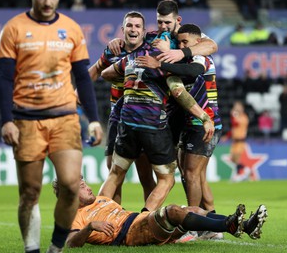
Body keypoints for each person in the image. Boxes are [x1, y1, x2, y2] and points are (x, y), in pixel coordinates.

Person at [0, 0, 103, 253]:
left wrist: (94, 120)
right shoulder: (14, 29)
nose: (47, 1)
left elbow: (83, 78)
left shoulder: (71, 29)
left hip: (64, 119)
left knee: (69, 185)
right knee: (30, 192)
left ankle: (56, 248)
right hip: (27, 120)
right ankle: (32, 251)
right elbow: (5, 79)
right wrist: (7, 120)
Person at [98, 32, 214, 213]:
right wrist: (205, 117)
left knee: (115, 174)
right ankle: (142, 220)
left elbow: (105, 73)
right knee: (167, 178)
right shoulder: (166, 67)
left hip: (126, 124)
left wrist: (131, 80)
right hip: (152, 126)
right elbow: (179, 93)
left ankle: (96, 214)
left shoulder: (130, 59)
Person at [135, 23, 222, 241]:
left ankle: (191, 226)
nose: (181, 46)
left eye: (186, 43)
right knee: (193, 175)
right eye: (180, 42)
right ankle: (211, 225)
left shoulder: (200, 59)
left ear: (197, 42)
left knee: (192, 174)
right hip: (189, 122)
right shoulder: (180, 60)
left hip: (205, 120)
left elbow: (193, 73)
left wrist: (161, 64)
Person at [51, 176, 268, 246]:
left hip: (139, 219)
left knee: (192, 210)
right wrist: (90, 227)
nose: (87, 186)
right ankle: (229, 224)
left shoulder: (99, 198)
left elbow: (115, 173)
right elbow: (70, 244)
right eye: (80, 186)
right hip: (129, 234)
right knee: (172, 211)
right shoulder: (73, 217)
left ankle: (245, 226)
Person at [88, 11, 156, 204]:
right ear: (123, 29)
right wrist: (76, 95)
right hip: (118, 118)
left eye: (137, 26)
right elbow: (94, 71)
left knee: (145, 174)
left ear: (143, 31)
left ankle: (148, 220)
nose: (133, 29)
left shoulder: (151, 50)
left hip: (143, 118)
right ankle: (116, 220)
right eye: (129, 26)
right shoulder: (113, 51)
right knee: (114, 173)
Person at [226, 101, 250, 182]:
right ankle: (245, 170)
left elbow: (235, 123)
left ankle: (239, 174)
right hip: (235, 141)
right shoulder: (237, 116)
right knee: (233, 159)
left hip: (240, 141)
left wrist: (233, 115)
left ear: (242, 108)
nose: (236, 108)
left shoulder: (244, 117)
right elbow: (233, 127)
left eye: (238, 106)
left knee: (236, 158)